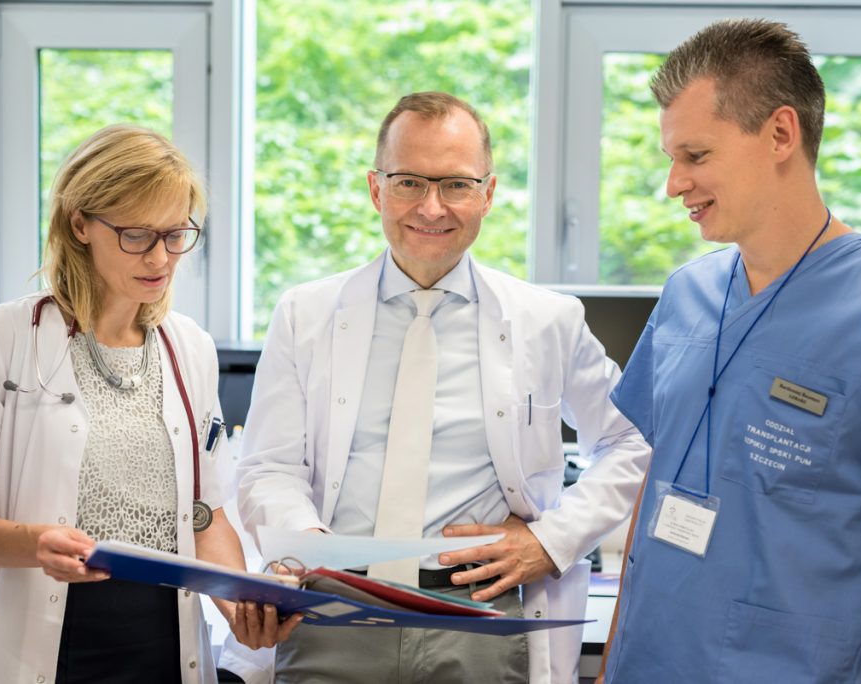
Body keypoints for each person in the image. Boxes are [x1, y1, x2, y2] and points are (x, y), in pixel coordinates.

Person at [236, 91, 651, 684]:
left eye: (456, 184)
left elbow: (631, 440)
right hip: (333, 605)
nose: (432, 207)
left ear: (488, 193)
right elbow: (268, 466)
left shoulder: (547, 320)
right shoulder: (306, 314)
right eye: (409, 182)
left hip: (477, 612)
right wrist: (305, 543)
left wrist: (551, 540)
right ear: (376, 189)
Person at [597, 18, 861, 683]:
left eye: (695, 155)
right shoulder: (686, 294)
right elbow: (655, 491)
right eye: (671, 158)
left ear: (781, 134)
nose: (673, 184)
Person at [0, 124, 300, 684]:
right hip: (47, 645)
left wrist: (238, 605)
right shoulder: (2, 337)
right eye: (137, 235)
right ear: (80, 224)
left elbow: (206, 514)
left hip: (166, 645)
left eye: (177, 234)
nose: (161, 257)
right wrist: (36, 544)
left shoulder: (190, 347)